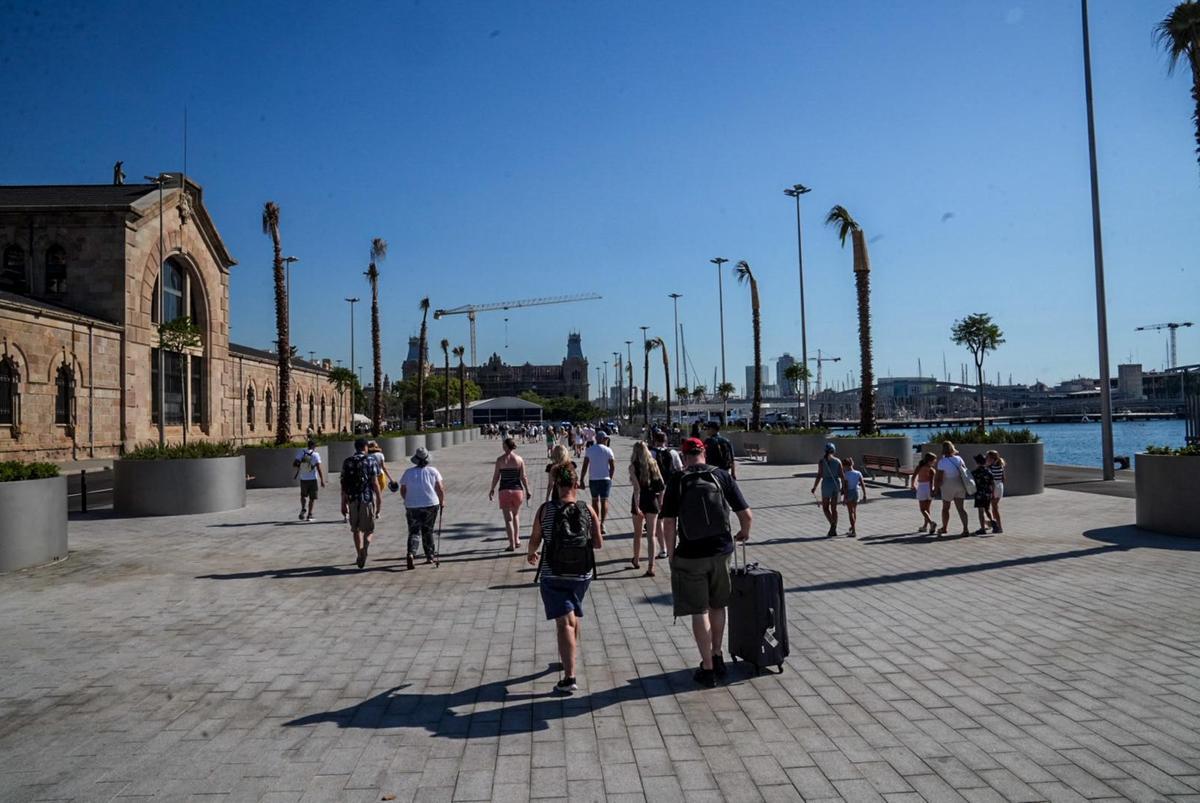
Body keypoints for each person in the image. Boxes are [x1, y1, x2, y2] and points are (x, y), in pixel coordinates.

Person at [660, 437, 752, 688]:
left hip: (690, 554)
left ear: (684, 454)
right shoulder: (721, 476)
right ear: (704, 452)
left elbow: (668, 522)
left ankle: (707, 668)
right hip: (721, 551)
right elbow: (746, 514)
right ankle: (718, 654)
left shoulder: (677, 480)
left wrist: (670, 553)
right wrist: (744, 532)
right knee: (718, 605)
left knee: (699, 611)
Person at [527, 462, 603, 694]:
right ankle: (569, 654)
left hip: (553, 573)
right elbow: (598, 543)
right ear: (576, 484)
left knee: (564, 623)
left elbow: (534, 539)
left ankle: (569, 677)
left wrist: (532, 552)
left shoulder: (545, 510)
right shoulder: (587, 509)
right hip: (582, 574)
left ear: (557, 485)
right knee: (572, 614)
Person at [400, 446, 445, 570]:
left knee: (414, 531)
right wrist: (442, 501)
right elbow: (440, 488)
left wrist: (407, 499)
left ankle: (411, 553)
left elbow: (403, 490)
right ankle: (430, 556)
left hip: (412, 505)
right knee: (428, 530)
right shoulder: (433, 471)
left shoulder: (408, 472)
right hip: (430, 504)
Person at [340, 437, 382, 569]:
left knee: (355, 530)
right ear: (365, 447)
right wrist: (379, 500)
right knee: (369, 530)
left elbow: (344, 484)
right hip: (366, 499)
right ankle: (365, 550)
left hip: (352, 499)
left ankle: (359, 554)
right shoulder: (371, 460)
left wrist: (343, 502)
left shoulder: (347, 462)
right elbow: (375, 483)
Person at [629, 441, 665, 577]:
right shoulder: (653, 463)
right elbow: (661, 485)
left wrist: (637, 506)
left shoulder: (632, 467)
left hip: (639, 500)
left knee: (637, 534)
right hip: (652, 499)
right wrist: (660, 501)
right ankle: (651, 566)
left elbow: (637, 489)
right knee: (651, 535)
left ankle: (636, 560)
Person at [489, 437, 531, 551]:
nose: (502, 446)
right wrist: (528, 490)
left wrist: (492, 489)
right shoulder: (519, 459)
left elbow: (496, 476)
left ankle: (511, 544)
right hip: (517, 490)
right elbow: (523, 477)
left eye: (503, 445)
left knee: (508, 519)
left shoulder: (500, 460)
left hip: (504, 491)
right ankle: (517, 540)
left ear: (506, 446)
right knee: (516, 515)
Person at [650, 430, 682, 559]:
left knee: (659, 520)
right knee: (673, 519)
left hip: (656, 489)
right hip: (671, 489)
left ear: (654, 440)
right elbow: (679, 469)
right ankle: (673, 547)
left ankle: (663, 549)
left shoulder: (651, 453)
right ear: (666, 440)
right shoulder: (673, 453)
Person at [580, 430, 616, 534]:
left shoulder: (590, 450)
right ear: (603, 439)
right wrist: (610, 477)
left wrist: (582, 479)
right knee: (604, 501)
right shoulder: (608, 450)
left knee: (595, 501)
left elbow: (585, 466)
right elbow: (613, 466)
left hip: (593, 479)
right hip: (605, 479)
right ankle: (602, 524)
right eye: (606, 439)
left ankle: (596, 522)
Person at [933, 441, 971, 537]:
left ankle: (944, 528)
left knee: (946, 508)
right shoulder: (959, 459)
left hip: (948, 485)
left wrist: (935, 489)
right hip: (960, 484)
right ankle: (966, 529)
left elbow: (939, 478)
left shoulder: (942, 462)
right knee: (961, 509)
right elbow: (964, 471)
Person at [810, 443, 846, 537]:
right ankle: (834, 528)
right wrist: (843, 488)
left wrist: (814, 487)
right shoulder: (838, 461)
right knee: (834, 508)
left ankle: (832, 525)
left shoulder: (822, 461)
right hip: (837, 485)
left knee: (825, 507)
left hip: (826, 485)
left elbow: (819, 475)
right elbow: (842, 476)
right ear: (834, 450)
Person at [292, 438, 325, 521]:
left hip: (303, 478)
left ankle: (303, 508)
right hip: (312, 479)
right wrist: (322, 480)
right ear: (313, 446)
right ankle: (309, 515)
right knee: (312, 498)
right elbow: (319, 468)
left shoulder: (302, 452)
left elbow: (294, 464)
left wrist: (301, 466)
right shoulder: (316, 454)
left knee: (303, 496)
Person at [909, 452, 938, 533]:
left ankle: (931, 523)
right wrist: (932, 490)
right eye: (934, 460)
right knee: (927, 509)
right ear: (930, 461)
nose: (935, 462)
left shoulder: (919, 467)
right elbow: (931, 482)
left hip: (922, 487)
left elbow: (913, 476)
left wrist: (912, 485)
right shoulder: (932, 470)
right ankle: (925, 526)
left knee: (922, 509)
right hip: (929, 488)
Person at [366, 441, 393, 519]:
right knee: (378, 495)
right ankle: (378, 512)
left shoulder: (367, 456)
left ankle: (372, 511)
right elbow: (383, 468)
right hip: (380, 475)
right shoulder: (380, 455)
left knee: (372, 495)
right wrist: (390, 478)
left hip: (370, 476)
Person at [971, 454, 996, 535]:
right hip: (988, 493)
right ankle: (993, 522)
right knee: (987, 509)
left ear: (977, 463)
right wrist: (993, 493)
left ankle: (982, 528)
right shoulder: (988, 471)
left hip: (979, 494)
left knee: (981, 511)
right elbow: (993, 483)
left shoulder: (974, 473)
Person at [842, 457, 866, 538]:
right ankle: (852, 528)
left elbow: (845, 487)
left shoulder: (846, 475)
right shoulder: (858, 473)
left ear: (846, 466)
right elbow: (862, 484)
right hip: (856, 492)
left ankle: (854, 531)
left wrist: (844, 497)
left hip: (849, 492)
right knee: (854, 511)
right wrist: (865, 494)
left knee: (850, 512)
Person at [986, 450, 1006, 533]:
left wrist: (992, 491)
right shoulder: (1000, 466)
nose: (986, 459)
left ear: (991, 458)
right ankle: (994, 524)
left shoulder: (990, 467)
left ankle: (999, 527)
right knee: (995, 507)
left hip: (994, 488)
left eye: (987, 457)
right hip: (1000, 486)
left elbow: (990, 480)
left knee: (994, 508)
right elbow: (1003, 478)